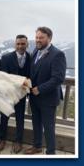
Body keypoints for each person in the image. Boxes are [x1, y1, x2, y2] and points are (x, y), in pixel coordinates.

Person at [24, 27, 66, 155]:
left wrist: (40, 89)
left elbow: (58, 78)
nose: (38, 40)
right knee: (36, 123)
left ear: (49, 38)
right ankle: (37, 146)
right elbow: (34, 71)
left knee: (48, 128)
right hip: (34, 97)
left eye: (41, 37)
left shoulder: (58, 54)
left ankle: (50, 153)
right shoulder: (36, 50)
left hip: (48, 99)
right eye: (36, 37)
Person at [0, 35, 31, 153]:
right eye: (18, 44)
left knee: (20, 118)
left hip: (22, 95)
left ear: (27, 45)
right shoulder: (6, 57)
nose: (20, 46)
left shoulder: (31, 58)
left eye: (23, 44)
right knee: (4, 117)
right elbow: (3, 77)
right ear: (15, 45)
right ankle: (2, 139)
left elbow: (31, 75)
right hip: (8, 94)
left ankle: (18, 141)